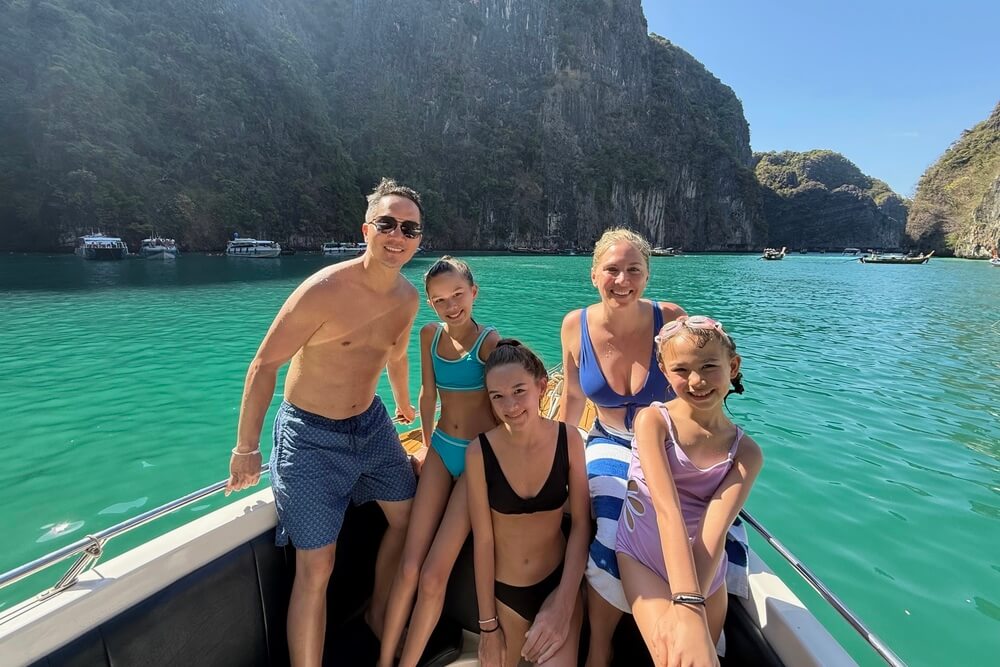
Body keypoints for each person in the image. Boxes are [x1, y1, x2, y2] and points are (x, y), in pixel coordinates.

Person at [225, 178, 425, 667]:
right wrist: (246, 448)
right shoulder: (323, 290)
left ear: (419, 239)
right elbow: (264, 365)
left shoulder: (407, 299)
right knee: (317, 566)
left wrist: (403, 405)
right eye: (387, 224)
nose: (397, 235)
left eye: (410, 228)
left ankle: (379, 616)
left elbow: (394, 356)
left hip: (373, 427)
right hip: (310, 435)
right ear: (366, 229)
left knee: (410, 521)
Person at [557, 228, 685, 666]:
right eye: (612, 269)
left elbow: (695, 395)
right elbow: (573, 399)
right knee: (613, 518)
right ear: (594, 274)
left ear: (647, 275)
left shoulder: (670, 319)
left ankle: (681, 636)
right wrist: (558, 454)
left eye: (634, 269)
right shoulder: (576, 324)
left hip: (669, 444)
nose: (622, 279)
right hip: (608, 440)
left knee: (705, 529)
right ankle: (602, 646)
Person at [616, 316, 763, 667]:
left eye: (709, 366)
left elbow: (715, 530)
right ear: (665, 372)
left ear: (733, 366)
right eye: (681, 370)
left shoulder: (746, 453)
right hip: (643, 554)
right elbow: (667, 512)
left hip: (703, 568)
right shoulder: (653, 422)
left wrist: (691, 602)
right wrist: (684, 602)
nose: (696, 381)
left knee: (698, 656)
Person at [378, 256, 500, 667]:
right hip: (441, 448)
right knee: (409, 567)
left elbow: (505, 405)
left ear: (474, 293)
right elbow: (427, 396)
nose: (451, 306)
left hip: (476, 459)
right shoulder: (429, 335)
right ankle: (384, 658)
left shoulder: (490, 343)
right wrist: (428, 447)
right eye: (439, 300)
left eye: (458, 295)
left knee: (432, 576)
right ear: (430, 304)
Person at [466, 340, 590, 667]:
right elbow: (484, 541)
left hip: (558, 585)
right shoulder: (480, 453)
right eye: (498, 396)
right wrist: (488, 627)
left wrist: (563, 604)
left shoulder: (569, 440)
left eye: (519, 390)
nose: (510, 405)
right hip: (506, 597)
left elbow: (580, 525)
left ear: (541, 387)